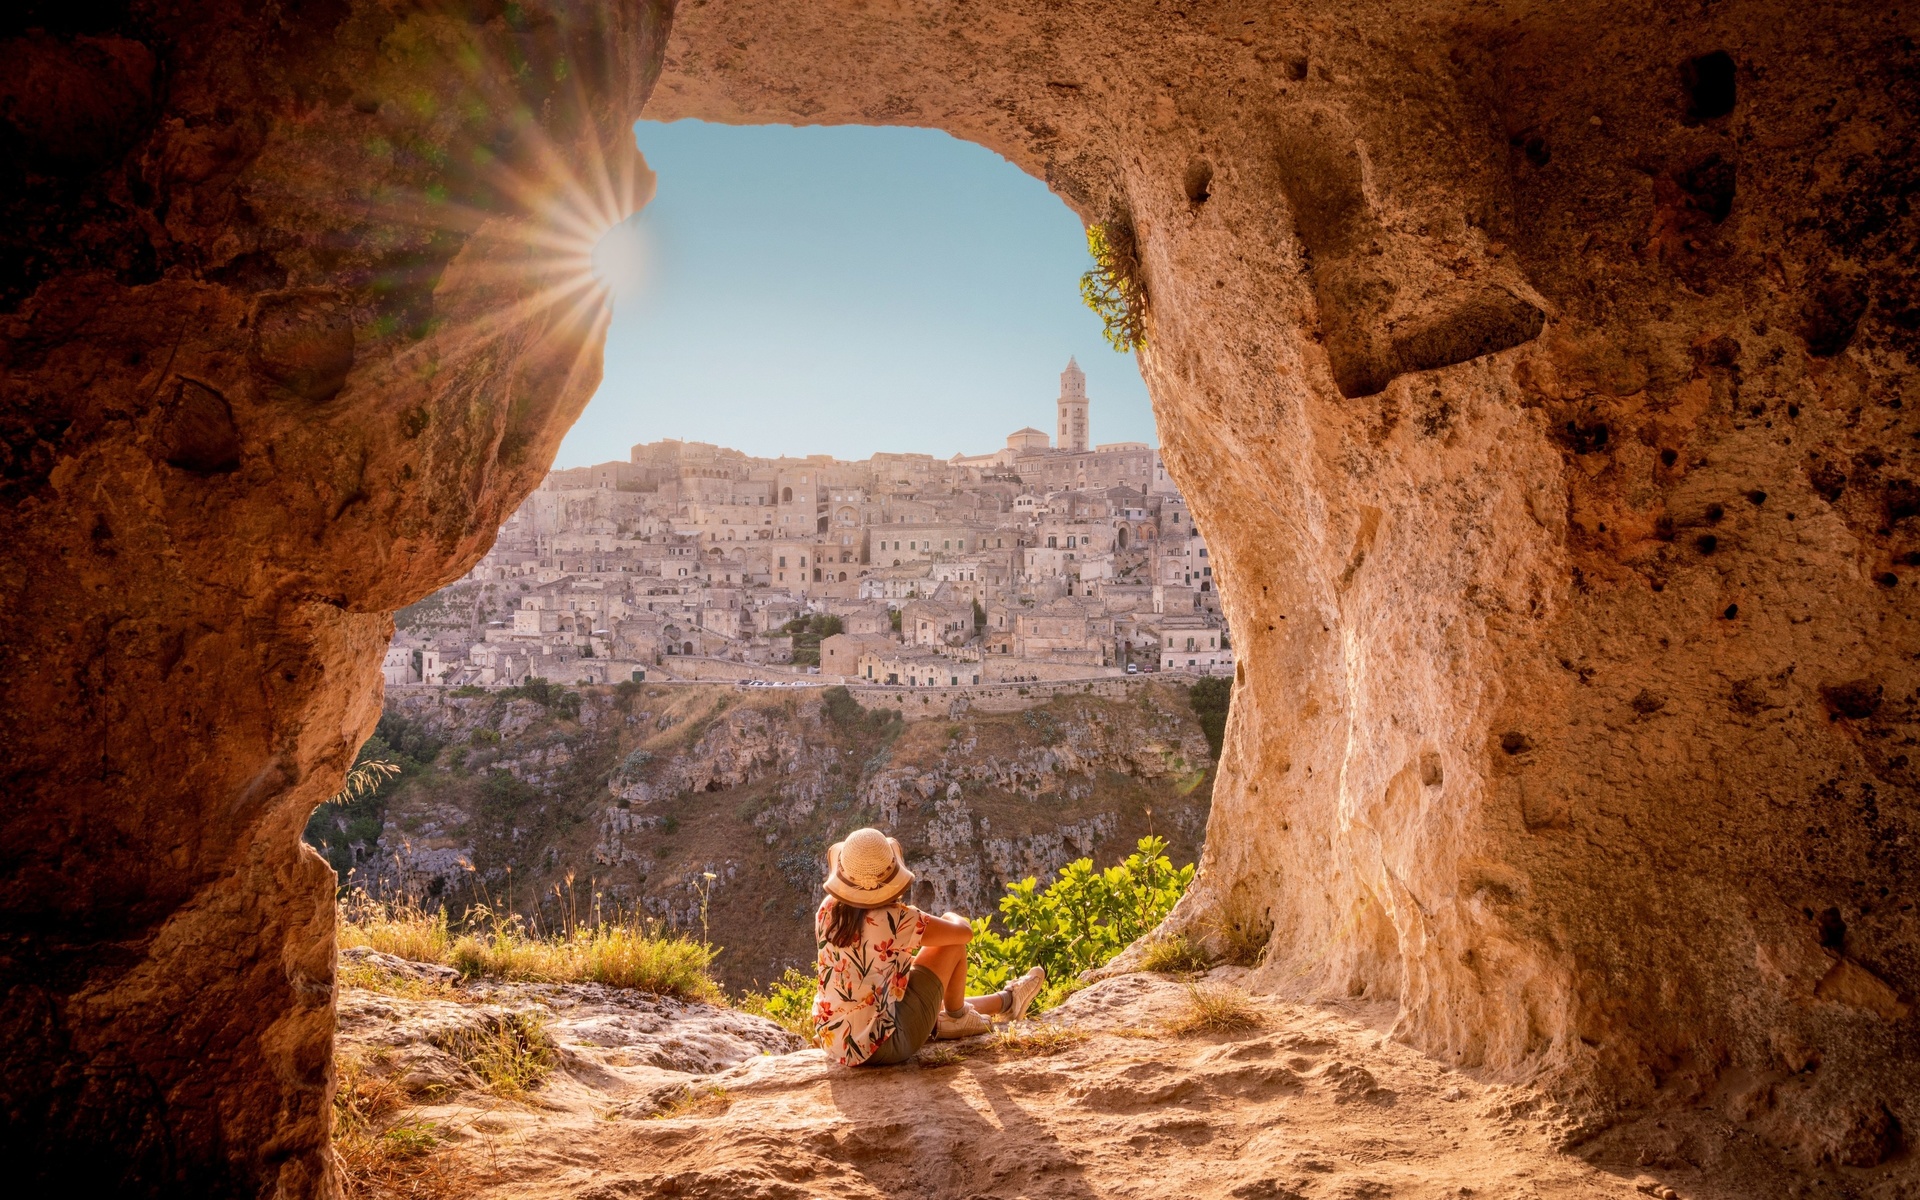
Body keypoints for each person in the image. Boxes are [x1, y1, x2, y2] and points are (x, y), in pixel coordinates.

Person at [811, 826, 1046, 1068]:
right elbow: (964, 934)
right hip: (880, 1046)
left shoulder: (828, 908)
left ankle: (1007, 1001)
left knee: (921, 989)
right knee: (952, 945)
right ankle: (957, 1017)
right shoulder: (896, 919)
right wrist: (951, 916)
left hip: (835, 1038)